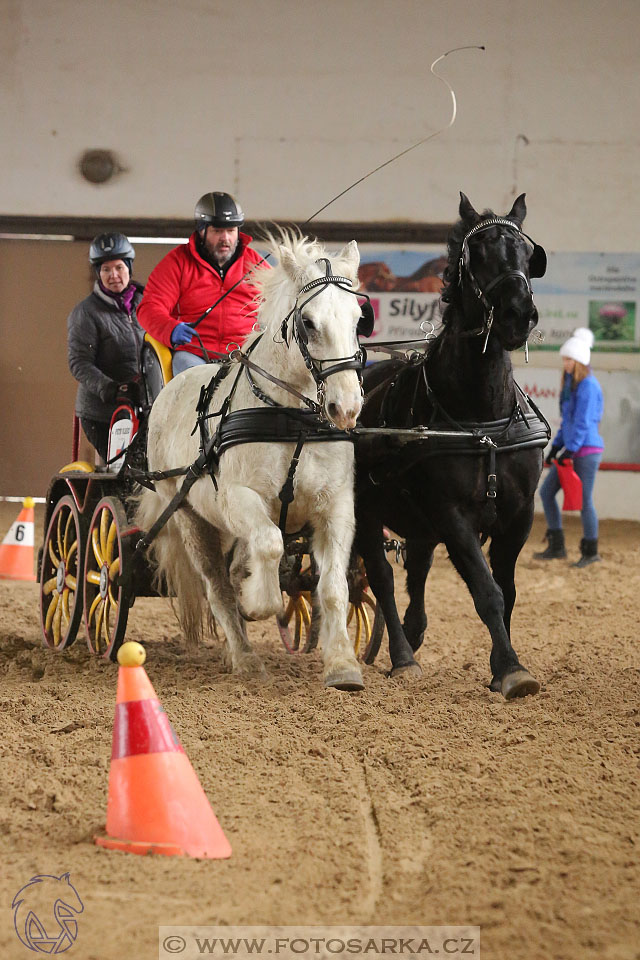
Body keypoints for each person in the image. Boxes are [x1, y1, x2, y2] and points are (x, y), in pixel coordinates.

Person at [137, 191, 264, 375]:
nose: (225, 238)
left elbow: (280, 304)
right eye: (217, 231)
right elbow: (149, 307)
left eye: (231, 231)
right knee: (193, 378)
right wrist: (170, 329)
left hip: (245, 355)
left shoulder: (256, 264)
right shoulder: (177, 262)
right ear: (202, 231)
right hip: (194, 354)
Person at [67, 233, 144, 462]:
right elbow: (79, 363)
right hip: (102, 412)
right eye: (106, 270)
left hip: (143, 404)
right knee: (126, 470)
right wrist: (110, 388)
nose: (114, 276)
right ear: (98, 274)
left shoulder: (148, 302)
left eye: (119, 267)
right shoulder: (86, 313)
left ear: (129, 268)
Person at [534, 327, 604, 567]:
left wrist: (570, 450)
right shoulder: (571, 387)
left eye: (569, 359)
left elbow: (583, 423)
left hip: (586, 452)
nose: (565, 363)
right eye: (564, 359)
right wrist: (557, 447)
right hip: (573, 450)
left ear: (580, 361)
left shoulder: (589, 386)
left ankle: (590, 550)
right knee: (546, 493)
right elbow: (568, 421)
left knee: (585, 502)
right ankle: (557, 546)